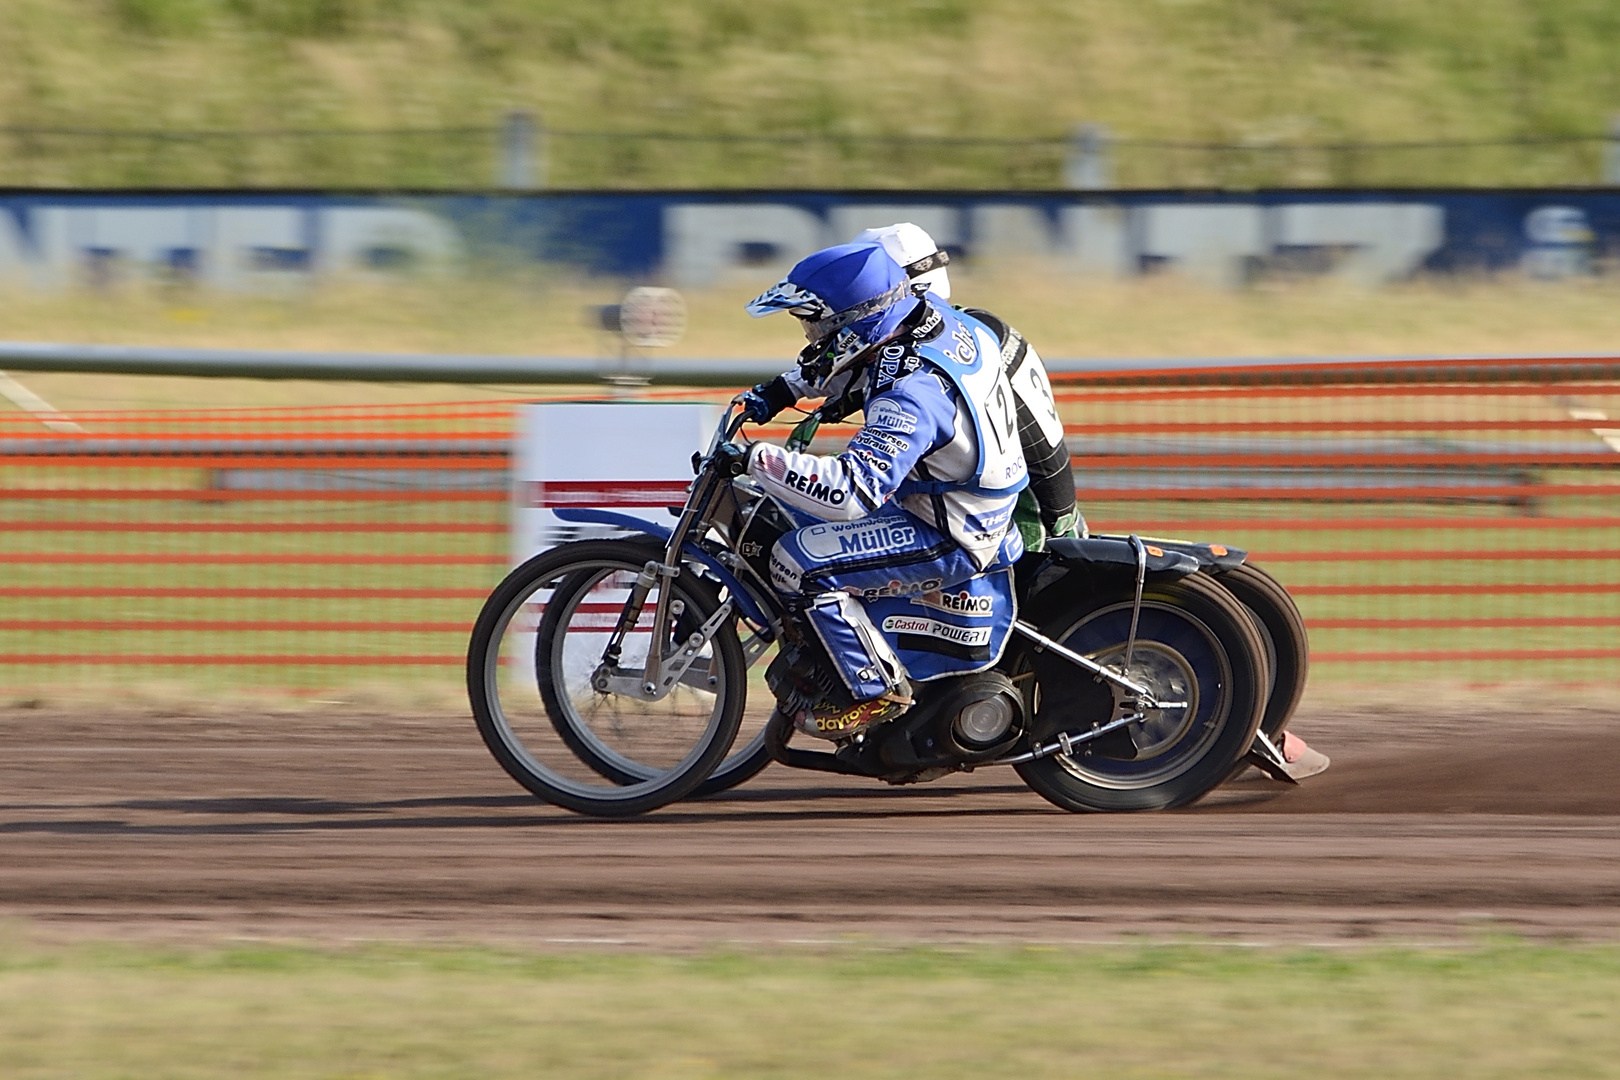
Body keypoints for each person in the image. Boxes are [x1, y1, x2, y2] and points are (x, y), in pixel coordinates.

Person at [734, 241, 1028, 739]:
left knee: (797, 562)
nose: (810, 335)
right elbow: (855, 365)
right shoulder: (931, 318)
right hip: (962, 498)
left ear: (853, 320)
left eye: (816, 323)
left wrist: (761, 459)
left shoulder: (911, 396)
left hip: (950, 527)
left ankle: (874, 690)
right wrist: (781, 390)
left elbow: (853, 491)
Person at [746, 223, 1081, 552]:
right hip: (1016, 495)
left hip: (1024, 510)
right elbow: (844, 372)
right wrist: (784, 389)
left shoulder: (922, 354)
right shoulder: (960, 325)